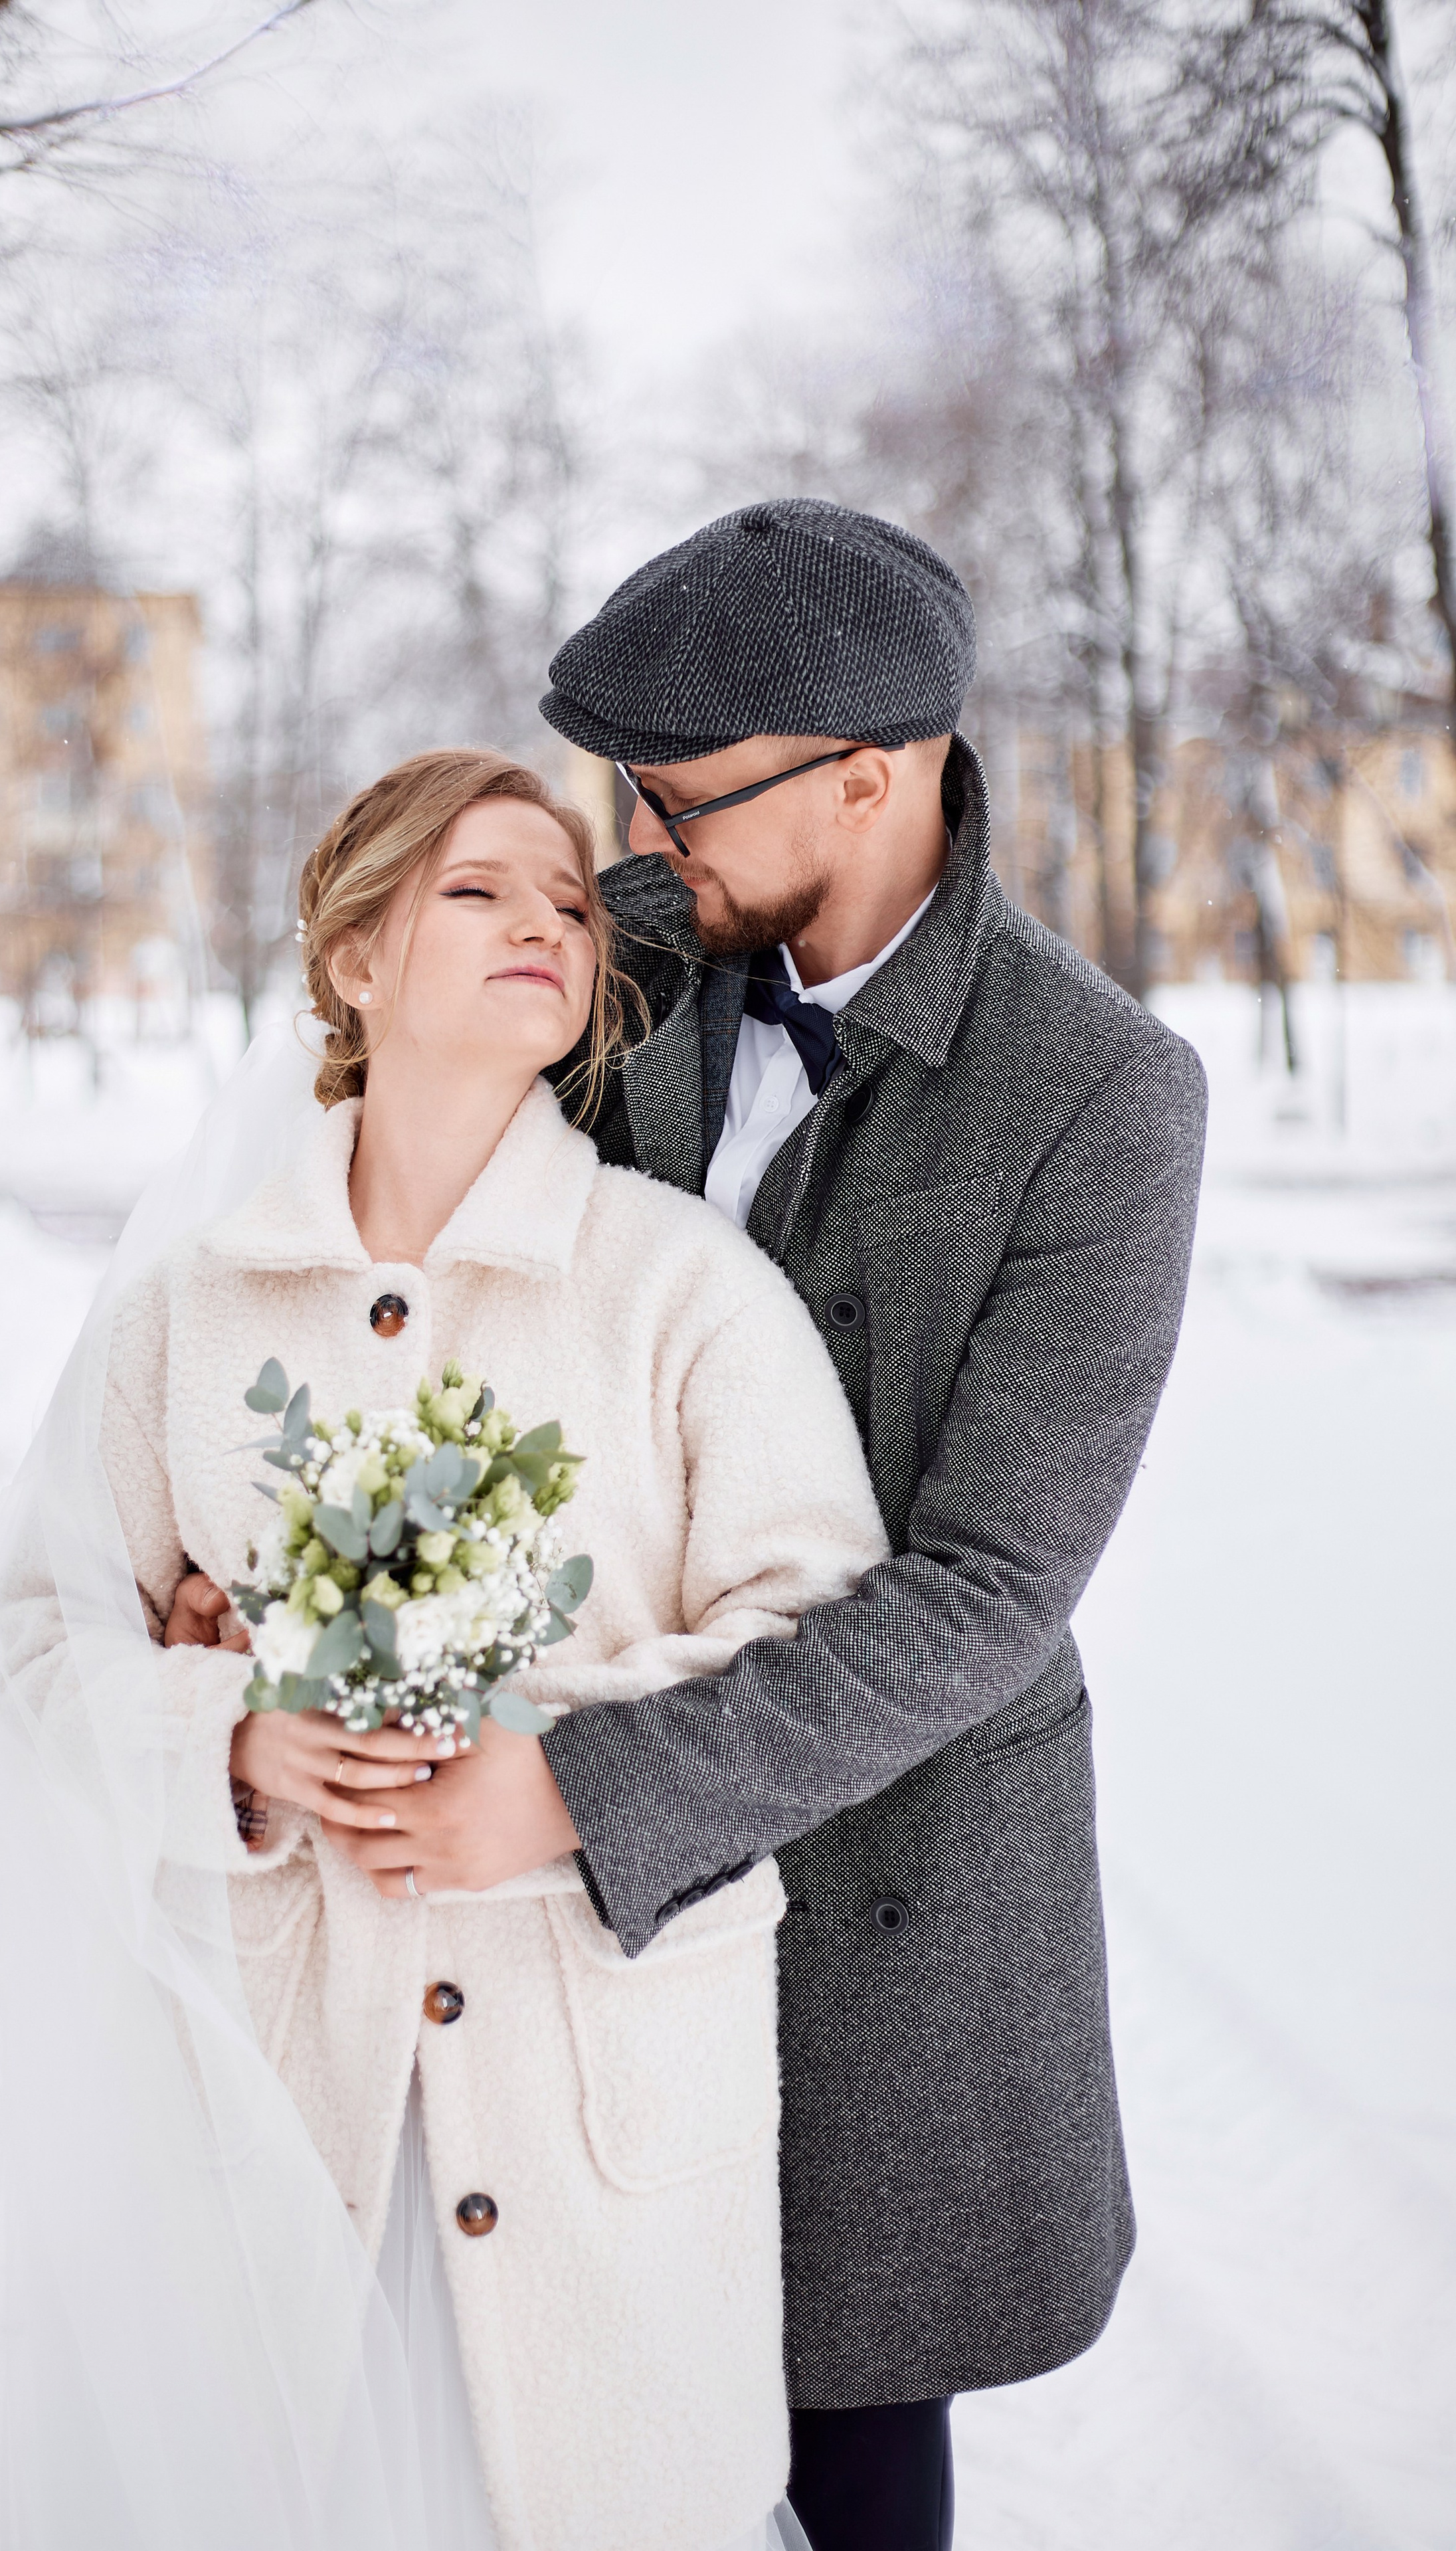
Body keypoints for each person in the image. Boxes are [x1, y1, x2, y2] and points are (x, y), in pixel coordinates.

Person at [170, 500, 1208, 2551]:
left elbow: (988, 1591)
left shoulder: (1100, 1093)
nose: (641, 845)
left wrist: (579, 1790)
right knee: (544, 2419)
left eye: (684, 798)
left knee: (835, 2459)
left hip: (877, 1896)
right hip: (533, 1923)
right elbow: (409, 1261)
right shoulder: (621, 960)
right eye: (623, 793)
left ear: (872, 772)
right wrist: (270, 1562)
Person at [0, 746, 888, 2551]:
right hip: (279, 2130)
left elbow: (823, 1642)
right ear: (355, 958)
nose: (546, 920)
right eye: (480, 891)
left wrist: (556, 1772)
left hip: (598, 2131)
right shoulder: (189, 1313)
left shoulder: (681, 1290)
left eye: (565, 899)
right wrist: (233, 1737)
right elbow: (27, 1653)